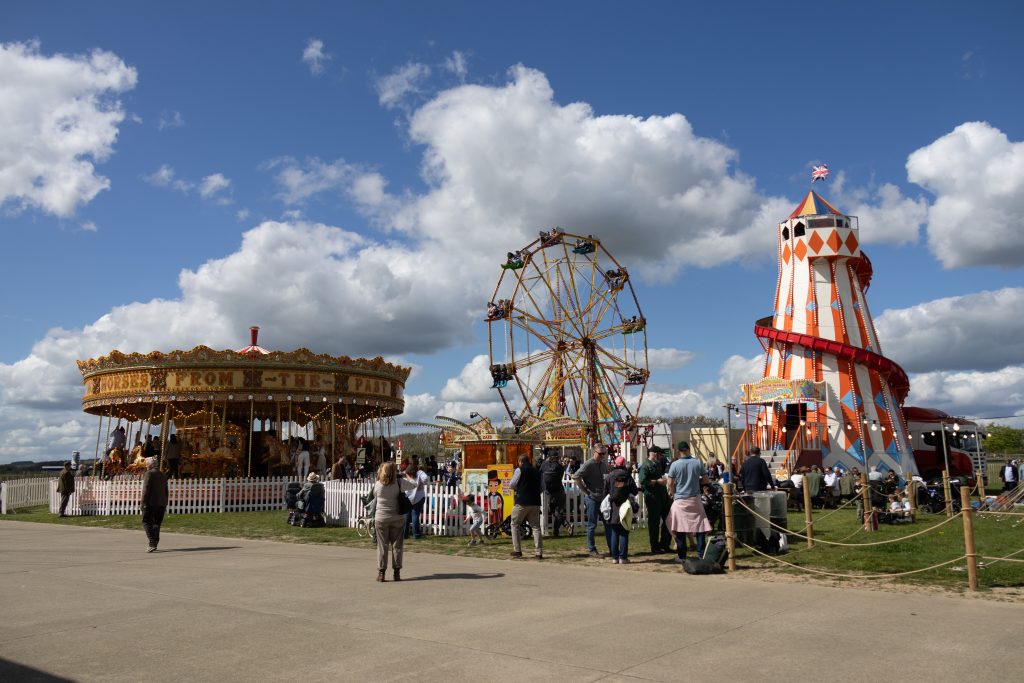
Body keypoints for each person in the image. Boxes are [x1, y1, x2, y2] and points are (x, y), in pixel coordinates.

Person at [665, 441, 712, 562]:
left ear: (678, 451)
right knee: (700, 527)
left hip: (680, 499)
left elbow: (670, 483)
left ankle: (682, 556)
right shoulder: (697, 462)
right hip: (695, 499)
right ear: (688, 449)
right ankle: (701, 554)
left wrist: (673, 492)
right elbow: (706, 480)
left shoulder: (674, 465)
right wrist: (697, 482)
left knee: (679, 527)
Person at [372, 461, 418, 582]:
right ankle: (396, 572)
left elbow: (374, 494)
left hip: (381, 518)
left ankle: (381, 572)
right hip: (397, 517)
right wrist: (406, 475)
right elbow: (414, 484)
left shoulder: (378, 484)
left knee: (382, 546)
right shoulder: (399, 483)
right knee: (397, 546)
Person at [573, 444, 609, 557]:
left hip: (603, 499)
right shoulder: (588, 464)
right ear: (594, 452)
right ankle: (592, 549)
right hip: (592, 498)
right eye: (600, 454)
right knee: (592, 525)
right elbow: (576, 476)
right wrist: (584, 490)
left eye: (604, 454)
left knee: (608, 524)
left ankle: (612, 548)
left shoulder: (603, 465)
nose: (602, 456)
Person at [637, 445, 672, 553]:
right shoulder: (645, 466)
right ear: (654, 453)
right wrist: (657, 481)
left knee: (669, 519)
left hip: (663, 496)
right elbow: (643, 481)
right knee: (654, 523)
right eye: (660, 454)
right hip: (653, 497)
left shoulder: (656, 464)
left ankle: (665, 544)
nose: (661, 457)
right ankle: (655, 546)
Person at [604, 455, 638, 564]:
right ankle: (623, 557)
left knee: (614, 532)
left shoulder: (610, 476)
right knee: (624, 532)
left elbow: (605, 491)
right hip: (626, 505)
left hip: (613, 506)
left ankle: (615, 557)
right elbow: (635, 491)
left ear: (615, 464)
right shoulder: (627, 476)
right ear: (624, 465)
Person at [509, 454, 543, 559]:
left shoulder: (519, 470)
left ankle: (517, 550)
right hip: (535, 502)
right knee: (536, 527)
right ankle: (538, 552)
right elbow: (542, 487)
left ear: (520, 461)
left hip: (522, 502)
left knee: (515, 524)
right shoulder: (537, 471)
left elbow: (511, 484)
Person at [141, 457, 169, 552]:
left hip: (150, 503)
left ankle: (152, 542)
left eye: (147, 464)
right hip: (161, 503)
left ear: (150, 465)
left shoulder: (149, 474)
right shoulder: (163, 474)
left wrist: (143, 502)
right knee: (157, 523)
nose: (146, 465)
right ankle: (154, 542)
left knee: (146, 522)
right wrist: (165, 502)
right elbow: (166, 491)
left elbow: (146, 489)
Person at [538, 450, 567, 535]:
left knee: (553, 510)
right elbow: (561, 476)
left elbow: (540, 474)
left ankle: (564, 524)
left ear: (548, 457)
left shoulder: (544, 465)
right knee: (559, 511)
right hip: (560, 490)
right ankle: (556, 530)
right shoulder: (560, 466)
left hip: (550, 492)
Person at [403, 459, 430, 539]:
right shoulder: (419, 472)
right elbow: (425, 479)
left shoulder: (406, 472)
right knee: (415, 515)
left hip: (408, 496)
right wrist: (421, 482)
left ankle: (405, 534)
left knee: (406, 516)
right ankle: (416, 534)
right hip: (419, 496)